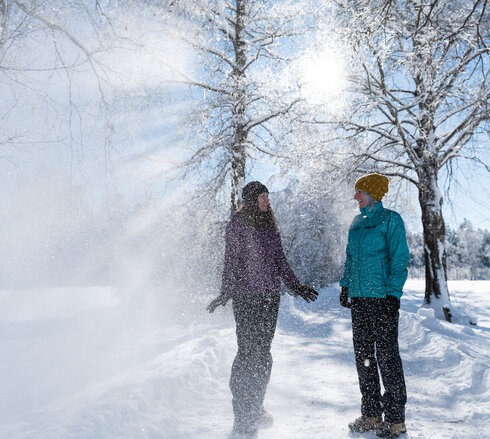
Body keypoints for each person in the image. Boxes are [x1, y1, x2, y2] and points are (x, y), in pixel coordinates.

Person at [207, 181, 319, 437]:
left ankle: (256, 406)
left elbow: (280, 260)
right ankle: (242, 412)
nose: (268, 201)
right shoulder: (237, 225)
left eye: (268, 196)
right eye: (264, 196)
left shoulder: (270, 226)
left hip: (270, 298)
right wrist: (226, 291)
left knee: (263, 354)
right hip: (246, 298)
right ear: (251, 199)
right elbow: (230, 261)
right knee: (247, 353)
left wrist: (295, 285)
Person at [339, 173, 410, 439]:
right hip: (360, 299)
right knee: (364, 356)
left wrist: (393, 294)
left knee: (388, 357)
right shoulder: (357, 223)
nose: (355, 196)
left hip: (382, 299)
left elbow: (399, 258)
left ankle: (394, 419)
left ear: (372, 193)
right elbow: (350, 257)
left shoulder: (391, 219)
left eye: (359, 191)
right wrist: (346, 285)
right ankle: (370, 414)